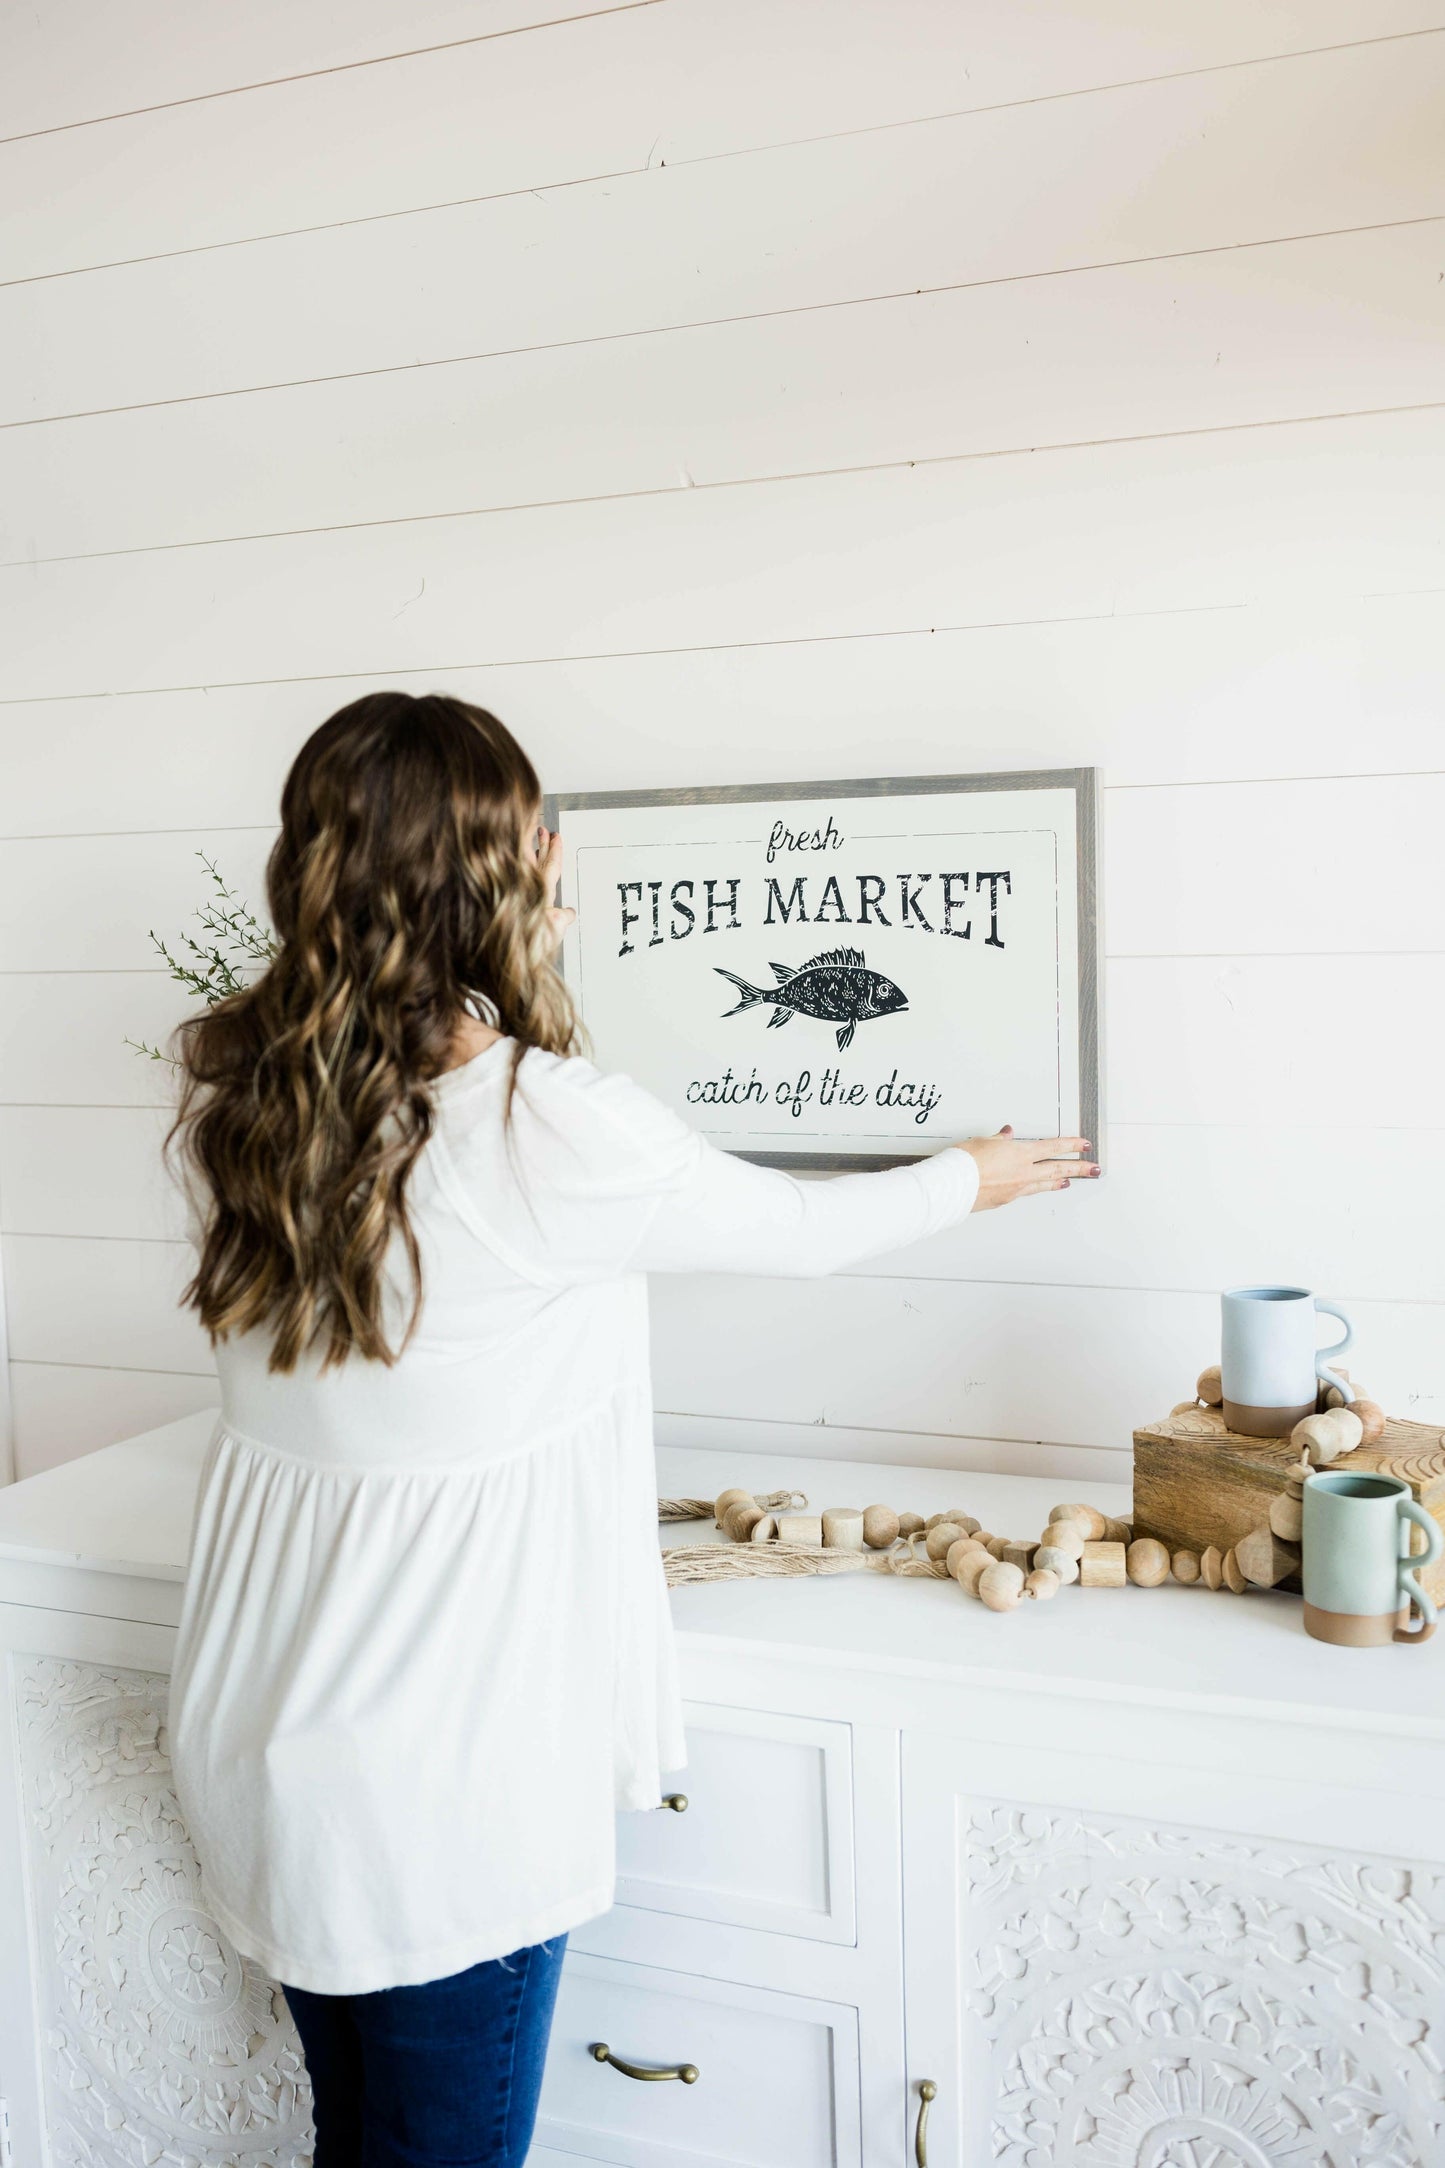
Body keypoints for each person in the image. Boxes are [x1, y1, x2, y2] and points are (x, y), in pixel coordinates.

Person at [166, 690, 1098, 2167]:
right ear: (503, 870)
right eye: (536, 837)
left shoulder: (248, 1102)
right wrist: (972, 1174)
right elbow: (798, 1230)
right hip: (436, 1798)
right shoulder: (540, 1124)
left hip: (266, 1750)